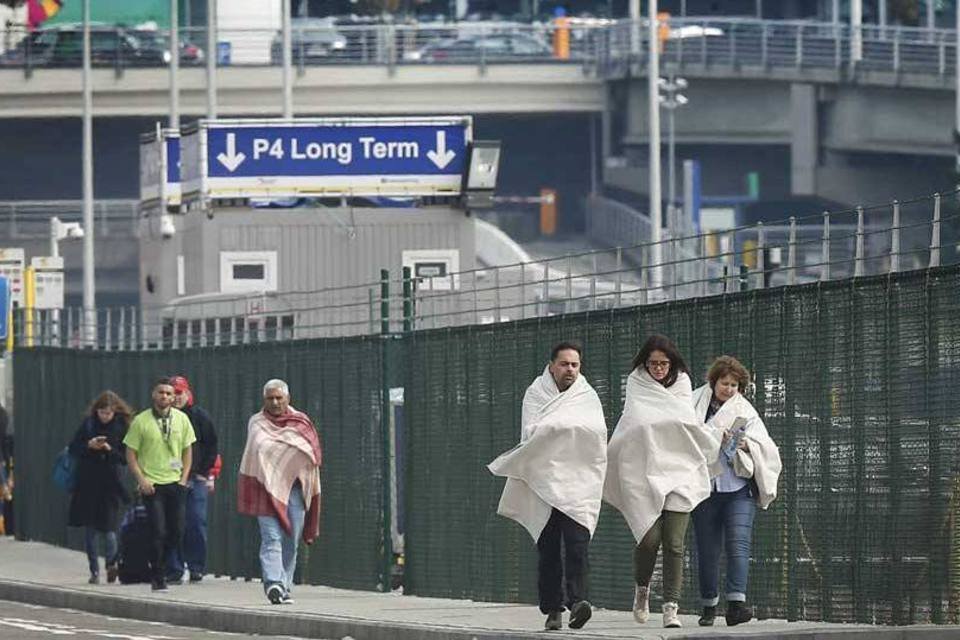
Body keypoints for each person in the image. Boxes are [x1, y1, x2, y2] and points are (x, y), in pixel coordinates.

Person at [488, 341, 608, 631]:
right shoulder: (536, 393)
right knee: (549, 550)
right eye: (565, 364)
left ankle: (579, 602)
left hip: (578, 482)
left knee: (578, 545)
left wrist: (557, 428)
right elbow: (532, 432)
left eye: (575, 365)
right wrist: (563, 428)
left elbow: (596, 433)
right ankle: (553, 608)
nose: (570, 370)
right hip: (542, 482)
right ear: (552, 365)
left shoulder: (587, 395)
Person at [603, 334, 719, 628]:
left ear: (672, 363)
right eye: (653, 363)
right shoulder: (636, 382)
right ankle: (642, 589)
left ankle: (671, 607)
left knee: (675, 543)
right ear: (645, 363)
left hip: (680, 470)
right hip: (644, 471)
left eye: (663, 363)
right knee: (649, 539)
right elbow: (636, 422)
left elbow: (684, 423)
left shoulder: (681, 384)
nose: (658, 368)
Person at [691, 356, 782, 627]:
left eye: (734, 384)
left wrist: (744, 445)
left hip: (737, 488)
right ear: (714, 381)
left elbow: (764, 444)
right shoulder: (694, 403)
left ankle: (736, 606)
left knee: (738, 544)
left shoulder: (746, 411)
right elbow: (686, 435)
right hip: (704, 488)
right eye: (724, 383)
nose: (728, 389)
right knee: (707, 550)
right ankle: (708, 605)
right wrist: (714, 437)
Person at [238, 379, 321, 605]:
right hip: (264, 489)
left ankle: (285, 584)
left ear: (288, 398)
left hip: (294, 489)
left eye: (279, 398)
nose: (275, 402)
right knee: (271, 537)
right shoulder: (257, 422)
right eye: (270, 398)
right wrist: (284, 456)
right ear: (263, 399)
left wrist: (286, 460)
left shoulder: (301, 422)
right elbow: (259, 450)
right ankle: (273, 583)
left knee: (291, 539)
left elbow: (311, 452)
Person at [123, 377, 196, 592]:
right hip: (152, 484)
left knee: (177, 531)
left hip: (175, 481)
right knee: (158, 530)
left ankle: (161, 564)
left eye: (168, 393)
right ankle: (157, 574)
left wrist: (184, 478)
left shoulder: (182, 420)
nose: (164, 396)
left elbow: (187, 450)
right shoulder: (141, 421)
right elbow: (131, 453)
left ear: (174, 397)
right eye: (160, 392)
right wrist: (141, 479)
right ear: (153, 395)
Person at [67, 391, 133, 584]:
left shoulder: (122, 427)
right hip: (88, 482)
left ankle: (111, 564)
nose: (104, 416)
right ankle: (94, 570)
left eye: (108, 413)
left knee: (110, 527)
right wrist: (89, 445)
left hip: (110, 482)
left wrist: (109, 449)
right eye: (101, 412)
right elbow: (73, 448)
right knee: (91, 529)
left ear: (115, 411)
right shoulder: (88, 425)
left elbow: (125, 457)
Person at [166, 375, 218, 584]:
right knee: (172, 524)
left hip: (196, 478)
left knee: (195, 521)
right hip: (169, 478)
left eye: (179, 393)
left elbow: (212, 444)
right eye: (172, 393)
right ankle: (174, 568)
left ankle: (196, 566)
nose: (176, 398)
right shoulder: (162, 418)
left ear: (187, 393)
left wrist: (204, 471)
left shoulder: (200, 417)